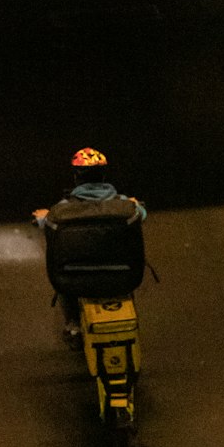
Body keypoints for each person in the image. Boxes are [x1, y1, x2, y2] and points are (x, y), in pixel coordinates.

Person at [34, 148, 146, 348]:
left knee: (65, 286)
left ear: (76, 177)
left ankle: (74, 325)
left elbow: (47, 222)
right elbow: (141, 214)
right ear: (103, 175)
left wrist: (42, 217)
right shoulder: (125, 206)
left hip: (77, 280)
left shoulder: (60, 211)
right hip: (122, 277)